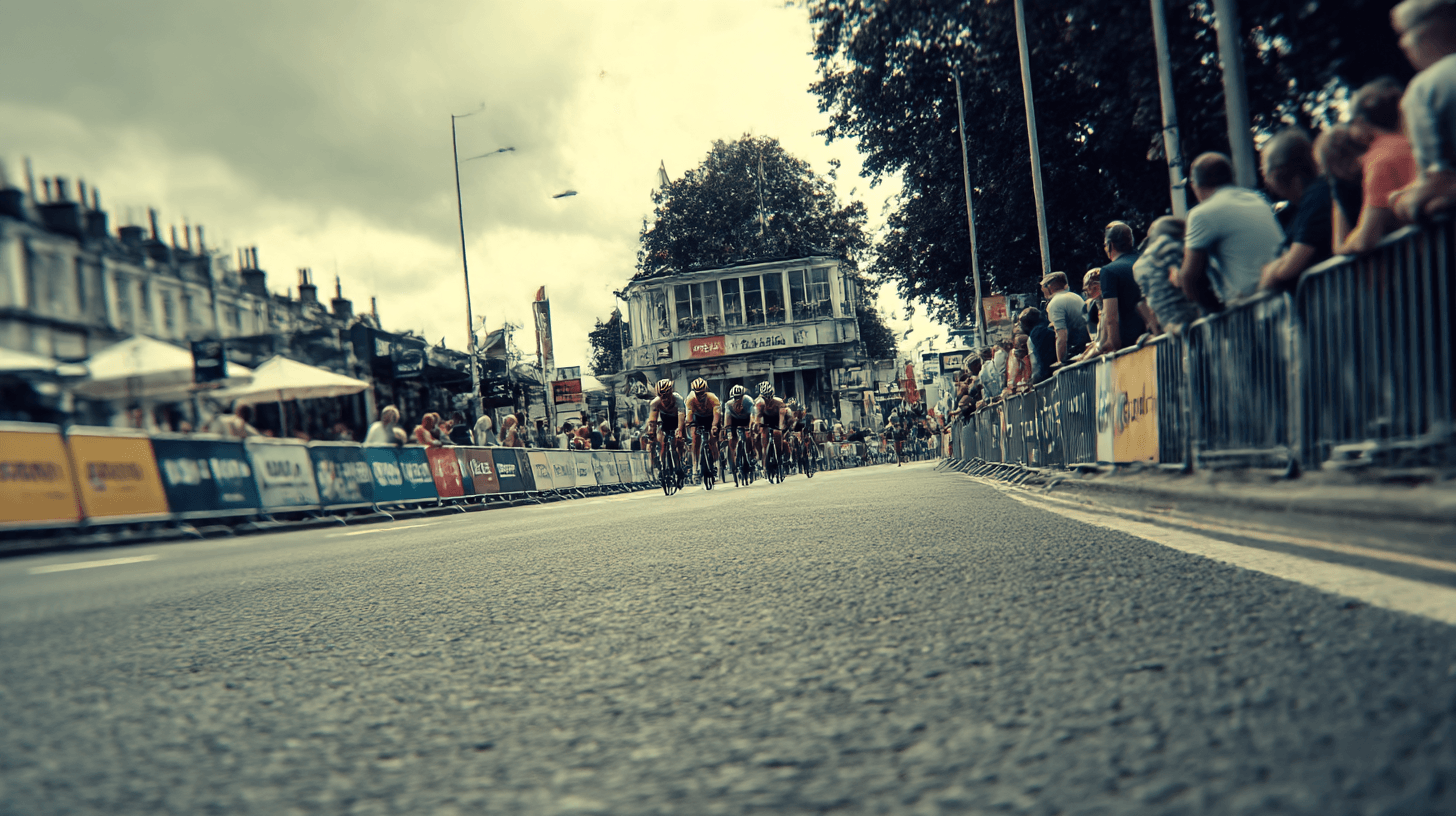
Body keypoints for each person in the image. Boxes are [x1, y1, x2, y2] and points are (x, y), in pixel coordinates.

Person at [1178, 152, 1285, 311]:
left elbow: (1190, 277)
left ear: (1195, 185)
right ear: (1231, 177)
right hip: (1283, 296)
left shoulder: (1202, 213)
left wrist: (1216, 312)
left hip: (1251, 308)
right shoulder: (1257, 200)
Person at [1392, 0, 1456, 220]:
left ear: (1428, 32)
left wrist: (1407, 202)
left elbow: (1439, 178)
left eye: (1404, 34)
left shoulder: (1423, 89)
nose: (1403, 45)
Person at [1340, 79, 1419, 255]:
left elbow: (1367, 238)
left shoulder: (1378, 158)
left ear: (1361, 122)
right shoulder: (1419, 143)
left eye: (1351, 122)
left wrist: (1343, 248)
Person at [1259, 128, 1336, 291]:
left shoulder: (1317, 196)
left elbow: (1292, 265)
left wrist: (1272, 273)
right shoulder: (1303, 203)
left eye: (1265, 172)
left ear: (1277, 173)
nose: (1265, 180)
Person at [1133, 217, 1203, 334]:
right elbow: (1180, 279)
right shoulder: (1170, 247)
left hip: (1167, 324)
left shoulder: (1138, 266)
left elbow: (1145, 303)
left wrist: (1156, 329)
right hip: (1191, 317)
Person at [1096, 221, 1147, 352]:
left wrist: (1113, 343)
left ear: (1109, 245)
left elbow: (1110, 314)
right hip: (1156, 334)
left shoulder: (1109, 271)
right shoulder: (1146, 260)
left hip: (1130, 345)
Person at [1315, 125, 1368, 248]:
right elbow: (1339, 245)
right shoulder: (1339, 188)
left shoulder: (1375, 170)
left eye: (1349, 154)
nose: (1348, 165)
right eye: (1338, 160)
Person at [1039, 271, 1089, 366]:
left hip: (1076, 351)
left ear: (1049, 287)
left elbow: (1061, 335)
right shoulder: (1075, 296)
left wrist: (1061, 361)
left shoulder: (1055, 303)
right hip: (1085, 347)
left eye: (1043, 287)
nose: (1042, 290)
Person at [647, 378, 687, 474]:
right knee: (660, 441)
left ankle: (681, 460)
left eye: (666, 396)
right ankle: (661, 463)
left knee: (679, 440)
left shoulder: (679, 400)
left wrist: (679, 430)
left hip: (677, 420)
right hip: (664, 421)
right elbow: (652, 420)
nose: (664, 399)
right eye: (661, 396)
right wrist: (651, 433)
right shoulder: (655, 403)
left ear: (671, 393)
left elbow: (681, 417)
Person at [683, 378, 721, 481]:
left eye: (702, 393)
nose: (700, 396)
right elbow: (689, 416)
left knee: (713, 440)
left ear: (706, 390)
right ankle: (695, 467)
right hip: (698, 418)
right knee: (695, 441)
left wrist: (714, 426)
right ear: (694, 392)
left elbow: (716, 414)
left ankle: (716, 465)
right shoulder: (690, 399)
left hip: (710, 418)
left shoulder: (713, 398)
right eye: (698, 393)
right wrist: (690, 424)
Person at [752, 381, 788, 471]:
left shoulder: (779, 402)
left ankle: (779, 457)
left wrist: (782, 427)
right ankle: (761, 458)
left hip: (775, 419)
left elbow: (783, 416)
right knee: (761, 439)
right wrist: (756, 425)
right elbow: (756, 417)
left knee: (778, 435)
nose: (768, 400)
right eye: (765, 398)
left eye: (770, 397)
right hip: (764, 420)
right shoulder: (758, 402)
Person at [722, 384, 757, 477]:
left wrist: (751, 427)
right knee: (731, 440)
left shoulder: (748, 401)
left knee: (749, 436)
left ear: (743, 396)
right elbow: (727, 418)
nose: (737, 399)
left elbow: (752, 416)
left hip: (746, 420)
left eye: (739, 397)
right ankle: (732, 463)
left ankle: (752, 453)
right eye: (735, 397)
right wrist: (728, 430)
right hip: (734, 421)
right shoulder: (729, 404)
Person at [1018, 307, 1057, 385]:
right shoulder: (1044, 329)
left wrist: (1033, 383)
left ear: (1026, 323)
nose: (1020, 326)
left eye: (1020, 322)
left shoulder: (1037, 333)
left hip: (1049, 381)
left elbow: (1042, 365)